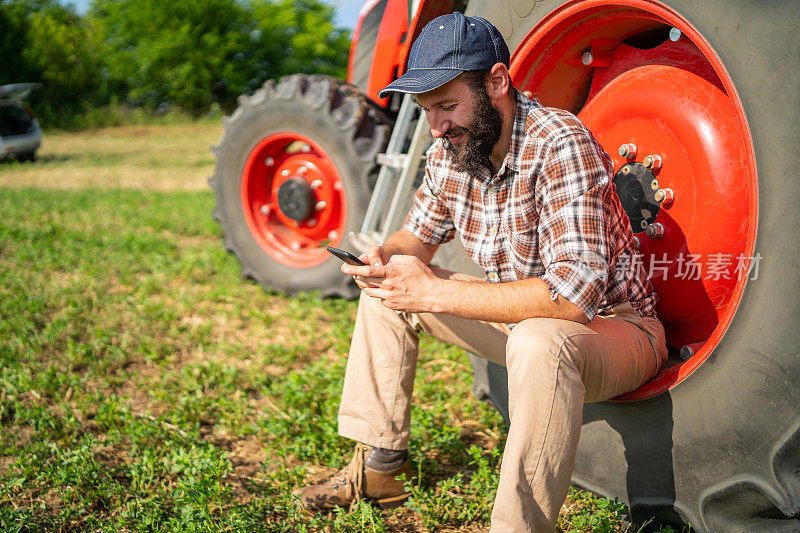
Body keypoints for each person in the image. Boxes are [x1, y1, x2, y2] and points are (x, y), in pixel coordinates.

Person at [293, 12, 667, 532]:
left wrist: (434, 294)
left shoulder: (560, 143)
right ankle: (377, 469)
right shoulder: (453, 148)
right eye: (427, 111)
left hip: (614, 329)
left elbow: (570, 300)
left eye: (447, 105)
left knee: (540, 340)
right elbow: (417, 236)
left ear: (497, 81)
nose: (438, 124)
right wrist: (388, 256)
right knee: (389, 292)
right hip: (522, 323)